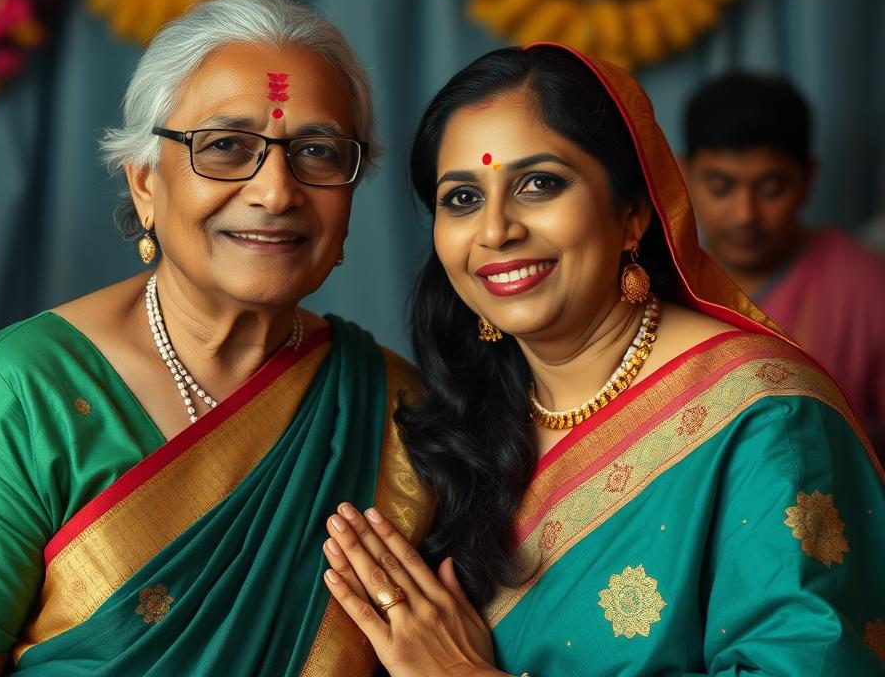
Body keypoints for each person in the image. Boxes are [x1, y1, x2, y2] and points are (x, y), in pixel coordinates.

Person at [0, 0, 431, 676]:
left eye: (316, 151)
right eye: (225, 147)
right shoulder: (25, 394)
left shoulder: (395, 410)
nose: (277, 191)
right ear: (143, 185)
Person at [314, 44, 885, 676]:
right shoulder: (459, 415)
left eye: (540, 185)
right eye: (462, 198)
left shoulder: (767, 418)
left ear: (633, 213)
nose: (496, 230)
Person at [682, 72, 885, 457]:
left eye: (771, 188)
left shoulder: (869, 289)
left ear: (808, 178)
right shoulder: (653, 280)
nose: (745, 214)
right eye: (721, 186)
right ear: (685, 174)